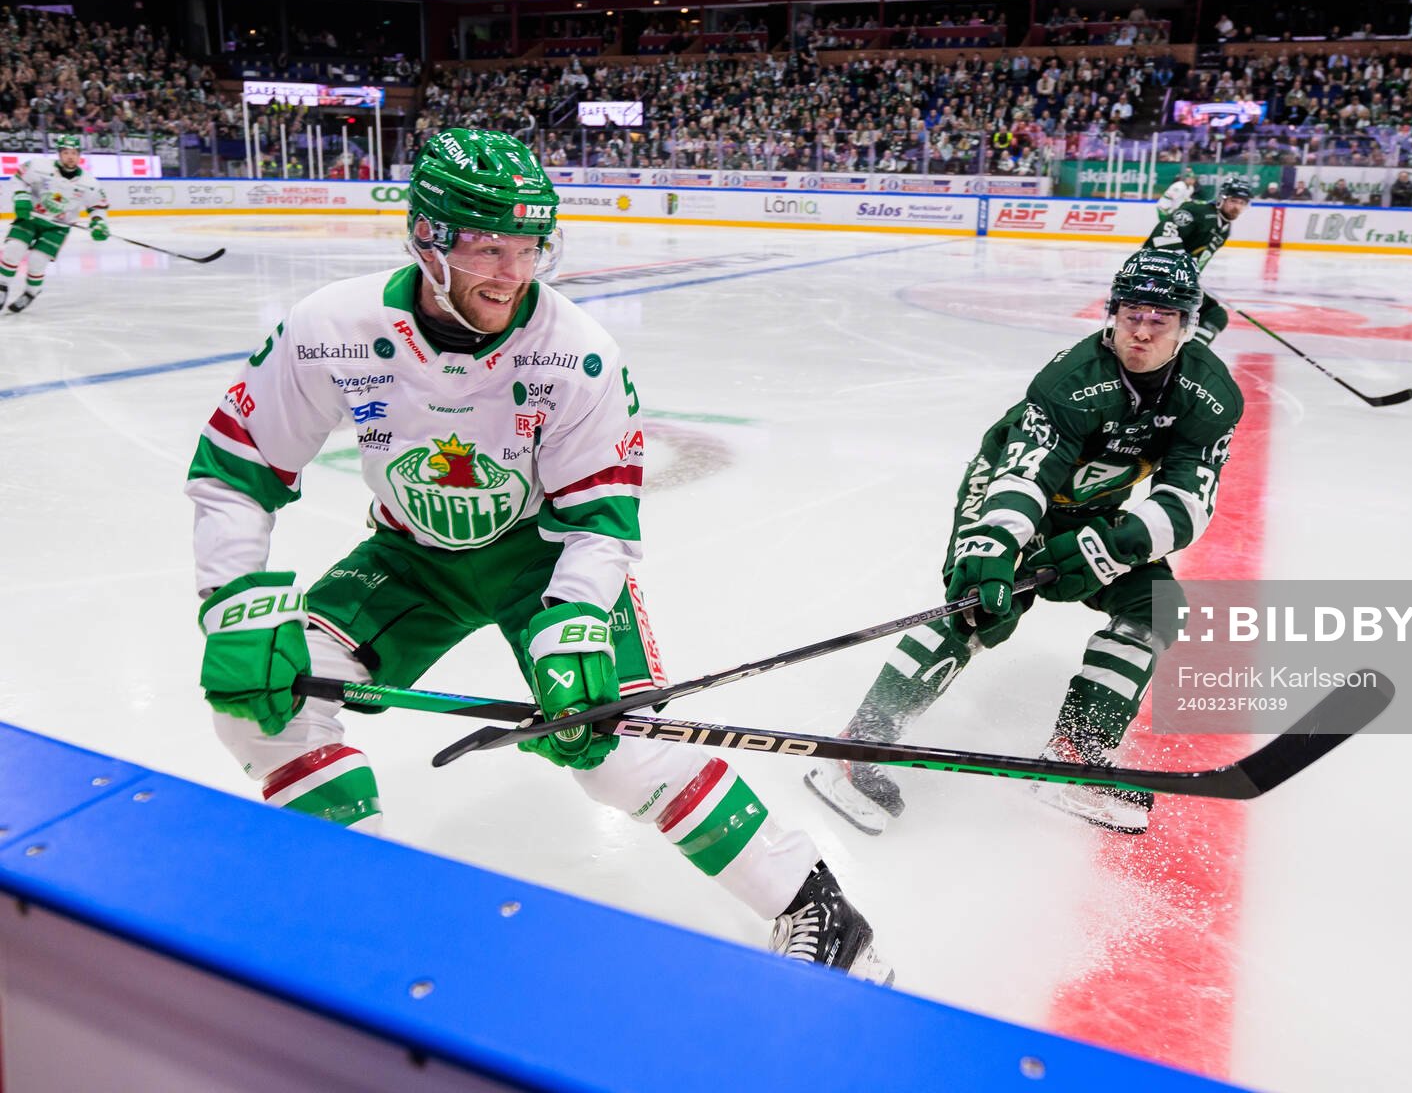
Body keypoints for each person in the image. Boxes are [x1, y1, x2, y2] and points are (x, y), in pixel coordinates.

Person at [184, 129, 889, 982]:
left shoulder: (576, 349)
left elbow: (600, 522)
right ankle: (357, 892)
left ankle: (817, 906)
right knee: (260, 707)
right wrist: (233, 602)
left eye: (530, 247)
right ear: (425, 238)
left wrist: (576, 623)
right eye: (487, 248)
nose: (514, 273)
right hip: (409, 563)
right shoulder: (332, 328)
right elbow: (235, 470)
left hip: (542, 564)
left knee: (618, 754)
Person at [804, 250, 1241, 836]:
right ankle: (857, 750)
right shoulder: (1072, 382)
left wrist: (1113, 545)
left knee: (1155, 606)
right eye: (1130, 313)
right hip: (1008, 494)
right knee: (983, 609)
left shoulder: (1209, 395)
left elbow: (1190, 498)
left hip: (1094, 511)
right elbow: (1025, 476)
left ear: (1185, 327)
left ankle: (1074, 757)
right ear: (1112, 314)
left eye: (1159, 320)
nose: (1140, 330)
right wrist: (993, 549)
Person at [1139, 172, 1252, 344]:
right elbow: (1162, 236)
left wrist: (1191, 277)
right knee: (1212, 313)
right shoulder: (1196, 211)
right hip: (1154, 276)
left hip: (1177, 282)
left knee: (1215, 315)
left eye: (1242, 203)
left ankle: (1190, 352)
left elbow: (1198, 260)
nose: (1237, 207)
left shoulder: (1224, 229)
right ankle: (1190, 354)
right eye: (1233, 201)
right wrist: (1182, 269)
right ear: (1222, 199)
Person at [2, 135, 110, 313]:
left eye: (74, 153)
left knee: (37, 261)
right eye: (66, 152)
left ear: (79, 155)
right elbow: (18, 178)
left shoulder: (89, 183)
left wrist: (99, 223)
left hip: (57, 227)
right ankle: (2, 286)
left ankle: (31, 292)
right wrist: (21, 196)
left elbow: (98, 206)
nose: (70, 156)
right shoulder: (39, 166)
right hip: (31, 217)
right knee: (13, 250)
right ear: (59, 154)